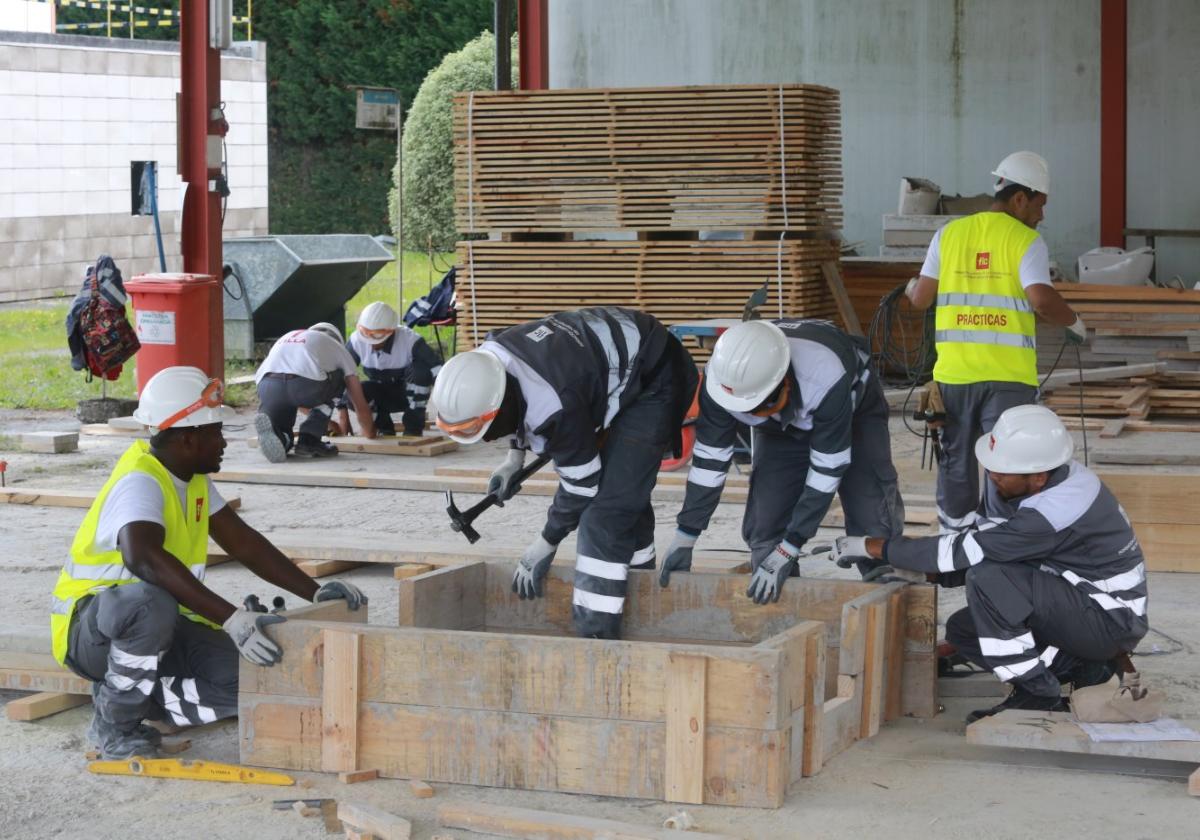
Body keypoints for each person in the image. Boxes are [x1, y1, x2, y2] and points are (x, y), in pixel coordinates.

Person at [50, 367, 367, 759]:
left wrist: (316, 591)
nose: (223, 442)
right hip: (93, 632)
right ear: (187, 437)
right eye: (216, 432)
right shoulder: (140, 480)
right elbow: (142, 557)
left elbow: (245, 544)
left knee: (254, 678)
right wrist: (231, 618)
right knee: (150, 602)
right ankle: (116, 723)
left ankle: (128, 698)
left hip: (160, 628)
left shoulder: (193, 479)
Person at [827, 405, 1148, 723]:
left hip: (1109, 620)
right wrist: (916, 570)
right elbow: (998, 548)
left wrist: (872, 547)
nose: (993, 476)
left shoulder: (1051, 513)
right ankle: (1081, 666)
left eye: (1002, 471)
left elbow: (970, 552)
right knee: (965, 631)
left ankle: (1038, 695)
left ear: (1037, 476)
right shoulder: (1059, 476)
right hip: (1086, 606)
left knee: (987, 576)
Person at [431, 307, 698, 639]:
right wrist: (514, 458)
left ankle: (595, 637)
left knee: (605, 512)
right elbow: (516, 402)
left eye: (486, 430)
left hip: (655, 372)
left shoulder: (557, 402)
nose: (486, 439)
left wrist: (546, 543)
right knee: (624, 489)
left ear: (498, 403)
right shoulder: (490, 357)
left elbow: (581, 485)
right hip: (605, 366)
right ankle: (641, 590)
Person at [659, 319, 905, 603]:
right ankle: (780, 598)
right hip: (782, 422)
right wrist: (686, 533)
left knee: (869, 502)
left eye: (758, 408)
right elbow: (709, 463)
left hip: (852, 408)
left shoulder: (824, 374)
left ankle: (882, 577)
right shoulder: (724, 380)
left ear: (782, 382)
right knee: (767, 520)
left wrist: (792, 545)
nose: (752, 415)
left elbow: (827, 469)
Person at [905, 151, 1087, 532]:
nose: (1042, 215)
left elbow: (921, 299)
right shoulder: (1026, 241)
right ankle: (1003, 539)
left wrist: (909, 288)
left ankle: (953, 541)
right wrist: (1075, 322)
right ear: (1020, 199)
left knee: (956, 460)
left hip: (955, 377)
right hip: (1008, 378)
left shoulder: (948, 234)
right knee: (1010, 460)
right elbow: (1040, 299)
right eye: (1040, 205)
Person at [253, 322, 377, 461]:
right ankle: (309, 440)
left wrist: (328, 423)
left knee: (283, 417)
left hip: (267, 386)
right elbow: (359, 403)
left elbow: (267, 380)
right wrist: (370, 432)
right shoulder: (339, 350)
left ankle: (282, 438)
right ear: (337, 341)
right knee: (341, 378)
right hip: (304, 387)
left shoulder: (289, 337)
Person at [334, 302, 443, 438]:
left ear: (391, 332)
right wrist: (342, 413)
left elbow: (438, 370)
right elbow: (339, 376)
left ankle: (413, 428)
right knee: (355, 392)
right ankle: (384, 428)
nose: (371, 344)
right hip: (380, 398)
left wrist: (449, 404)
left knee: (421, 371)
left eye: (376, 338)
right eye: (366, 337)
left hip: (407, 397)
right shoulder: (356, 342)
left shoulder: (410, 340)